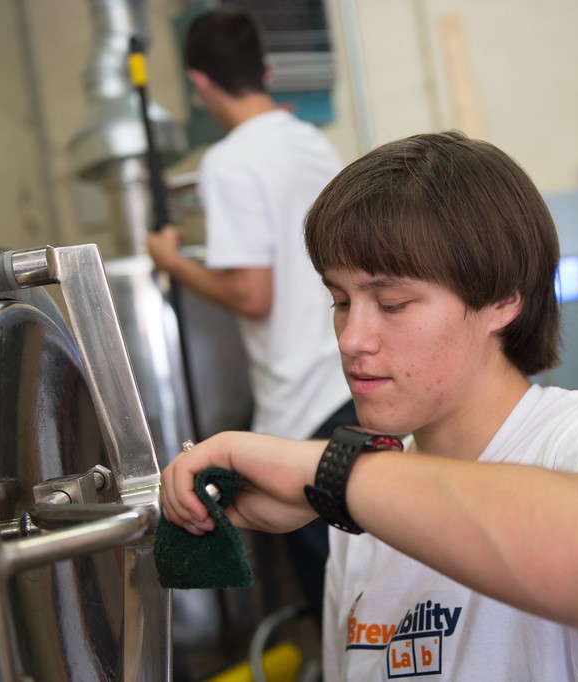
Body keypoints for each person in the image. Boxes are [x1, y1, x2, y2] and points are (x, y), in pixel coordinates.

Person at [161, 131, 578, 680]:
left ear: (503, 299)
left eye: (393, 302)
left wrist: (325, 472)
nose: (352, 338)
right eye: (339, 300)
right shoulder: (359, 519)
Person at [146, 7, 353, 622]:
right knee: (370, 591)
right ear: (265, 69)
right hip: (353, 387)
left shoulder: (229, 161)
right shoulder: (314, 141)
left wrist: (169, 259)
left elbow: (252, 294)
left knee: (336, 605)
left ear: (200, 83)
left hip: (300, 409)